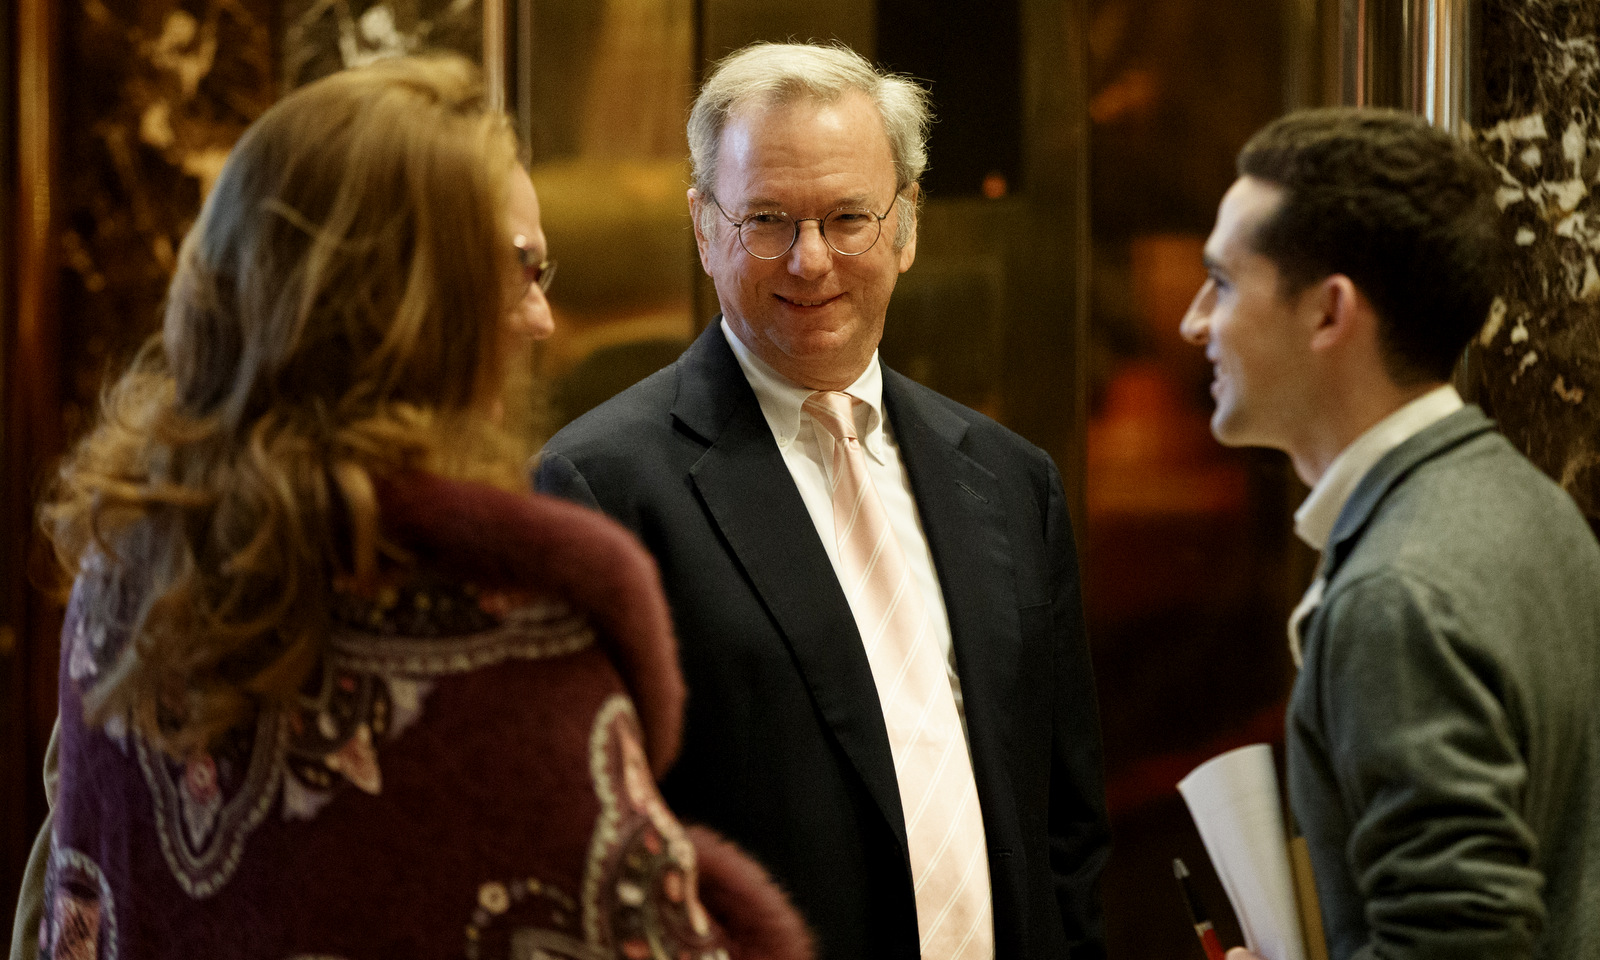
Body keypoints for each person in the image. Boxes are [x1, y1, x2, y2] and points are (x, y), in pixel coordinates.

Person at [12, 54, 810, 960]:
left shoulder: (124, 589)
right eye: (520, 268)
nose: (544, 319)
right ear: (399, 295)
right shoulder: (506, 651)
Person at [536, 42, 1109, 960]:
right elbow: (587, 860)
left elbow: (1065, 828)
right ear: (703, 227)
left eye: (848, 217)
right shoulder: (601, 489)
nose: (809, 261)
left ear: (907, 225)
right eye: (767, 218)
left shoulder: (1010, 480)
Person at [1179, 107, 1600, 960]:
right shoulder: (1531, 504)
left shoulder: (1395, 594)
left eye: (1222, 283)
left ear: (1329, 312)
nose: (1195, 323)